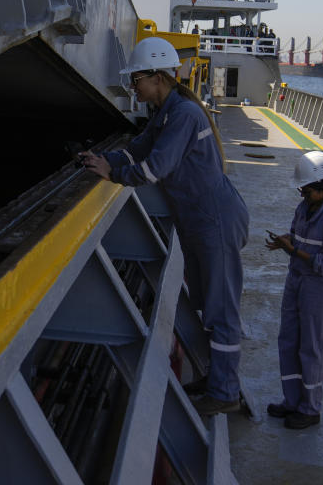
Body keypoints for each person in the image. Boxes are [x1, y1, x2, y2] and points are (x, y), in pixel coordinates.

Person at [81, 36, 249, 416]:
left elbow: (153, 169)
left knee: (222, 311)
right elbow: (136, 151)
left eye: (135, 80)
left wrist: (114, 174)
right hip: (197, 222)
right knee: (208, 305)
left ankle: (225, 392)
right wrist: (99, 158)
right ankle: (216, 377)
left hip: (215, 221)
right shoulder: (166, 114)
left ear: (156, 76)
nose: (132, 88)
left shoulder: (184, 116)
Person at [265, 151, 323, 429]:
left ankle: (310, 408)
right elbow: (297, 235)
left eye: (308, 190)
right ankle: (292, 401)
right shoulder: (303, 208)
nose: (303, 194)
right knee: (288, 341)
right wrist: (285, 241)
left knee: (311, 348)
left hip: (319, 289)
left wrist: (295, 250)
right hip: (296, 282)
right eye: (302, 190)